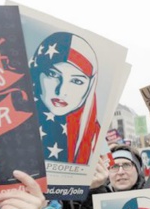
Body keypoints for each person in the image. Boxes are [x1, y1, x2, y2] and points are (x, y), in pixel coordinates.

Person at [30, 32, 100, 164]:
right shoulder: (7, 121)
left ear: (90, 87)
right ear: (36, 71)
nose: (62, 91)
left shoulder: (95, 138)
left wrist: (97, 184)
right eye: (53, 74)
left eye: (76, 81)